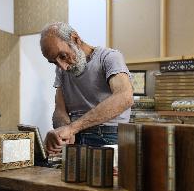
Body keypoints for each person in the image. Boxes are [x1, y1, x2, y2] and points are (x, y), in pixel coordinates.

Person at [40, 22, 134, 155]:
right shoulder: (61, 69)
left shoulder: (109, 57)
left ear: (75, 39)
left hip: (108, 135)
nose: (63, 67)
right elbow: (60, 110)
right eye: (54, 62)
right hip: (77, 135)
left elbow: (125, 97)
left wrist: (72, 128)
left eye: (63, 56)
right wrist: (61, 133)